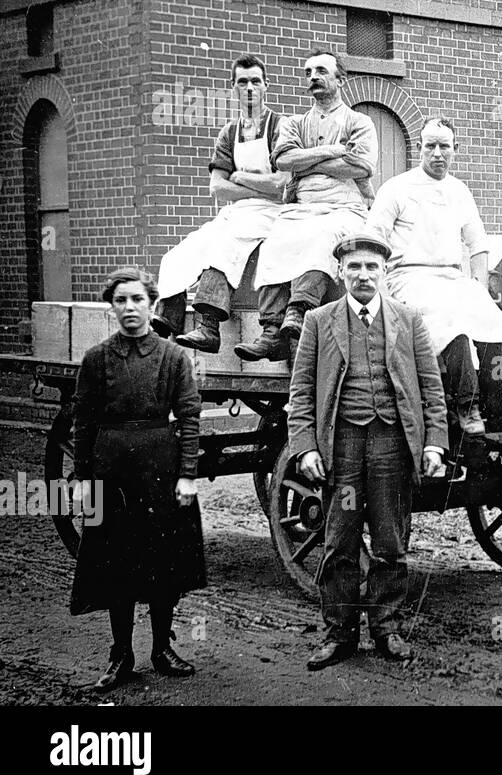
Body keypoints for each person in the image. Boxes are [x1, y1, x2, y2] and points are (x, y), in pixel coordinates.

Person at [287, 233, 449, 670]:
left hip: (390, 446)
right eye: (354, 266)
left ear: (384, 271)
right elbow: (301, 392)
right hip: (343, 449)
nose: (363, 275)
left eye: (371, 267)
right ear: (340, 271)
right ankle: (338, 634)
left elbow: (431, 388)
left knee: (390, 539)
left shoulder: (408, 320)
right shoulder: (319, 321)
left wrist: (435, 442)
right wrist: (305, 447)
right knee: (340, 539)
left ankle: (386, 628)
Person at [70, 267, 205, 691]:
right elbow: (82, 422)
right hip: (112, 472)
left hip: (160, 469)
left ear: (151, 304)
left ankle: (162, 648)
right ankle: (121, 654)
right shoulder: (96, 359)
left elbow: (189, 417)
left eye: (137, 300)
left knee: (164, 562)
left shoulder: (173, 357)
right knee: (117, 563)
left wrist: (187, 475)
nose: (129, 308)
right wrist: (83, 478)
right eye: (121, 301)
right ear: (111, 307)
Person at [367, 118, 502, 435]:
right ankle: (468, 407)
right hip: (409, 277)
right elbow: (374, 241)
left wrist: (479, 287)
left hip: (451, 277)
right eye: (430, 146)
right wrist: (381, 294)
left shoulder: (459, 191)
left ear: (455, 149)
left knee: (490, 318)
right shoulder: (396, 188)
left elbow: (478, 244)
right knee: (453, 323)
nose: (437, 153)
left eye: (444, 146)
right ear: (419, 147)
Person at [236, 49, 376, 362]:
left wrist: (306, 162)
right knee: (276, 240)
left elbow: (362, 165)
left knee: (324, 235)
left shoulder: (359, 122)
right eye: (308, 72)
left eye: (321, 71)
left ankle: (299, 310)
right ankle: (271, 331)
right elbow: (283, 160)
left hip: (344, 206)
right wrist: (332, 151)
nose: (313, 77)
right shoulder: (294, 123)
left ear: (341, 80)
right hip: (301, 205)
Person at [152, 53, 287, 351]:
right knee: (180, 253)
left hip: (272, 212)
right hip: (237, 211)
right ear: (233, 88)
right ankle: (167, 323)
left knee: (224, 246)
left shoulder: (280, 127)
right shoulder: (229, 133)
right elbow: (217, 188)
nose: (249, 88)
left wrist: (239, 178)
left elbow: (281, 185)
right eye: (243, 82)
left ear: (266, 85)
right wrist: (255, 187)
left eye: (255, 81)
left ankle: (209, 328)